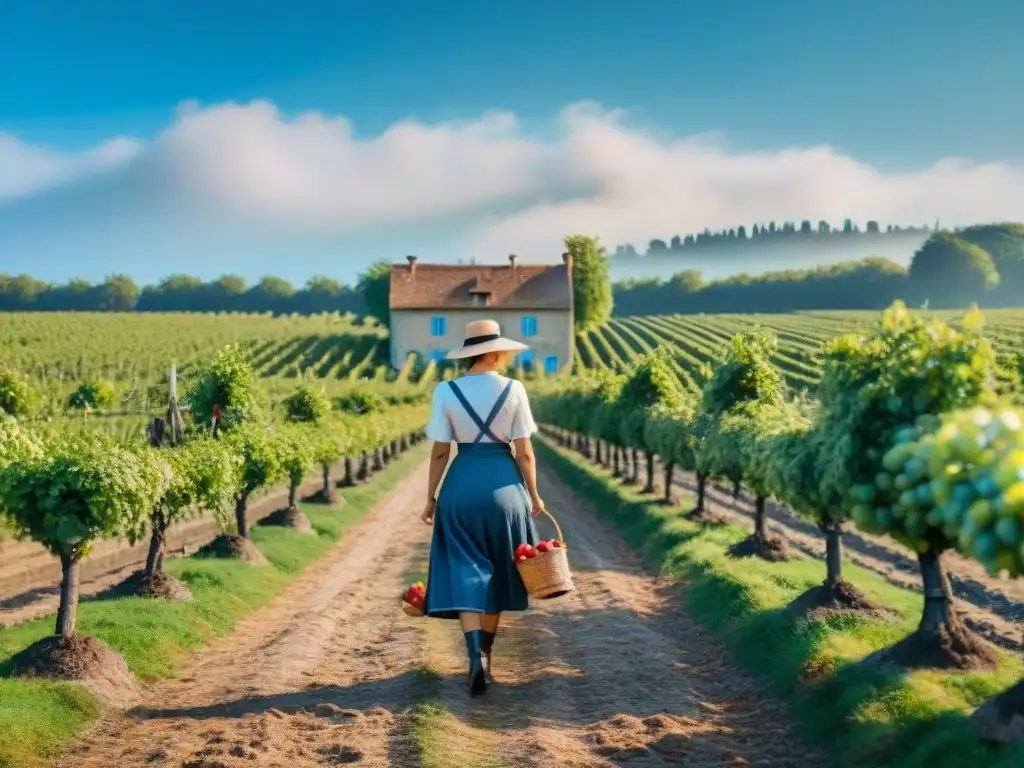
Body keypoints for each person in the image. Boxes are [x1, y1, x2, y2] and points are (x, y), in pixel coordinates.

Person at [421, 319, 545, 695]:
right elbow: (524, 451)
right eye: (503, 351)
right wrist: (535, 495)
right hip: (504, 486)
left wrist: (431, 496)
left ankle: (474, 655)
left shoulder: (446, 391)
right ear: (492, 352)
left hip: (461, 486)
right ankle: (487, 659)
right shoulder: (514, 389)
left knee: (466, 570)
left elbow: (441, 449)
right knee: (500, 570)